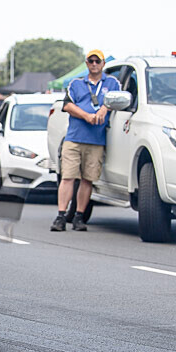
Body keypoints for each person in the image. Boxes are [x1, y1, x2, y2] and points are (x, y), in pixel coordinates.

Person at [51, 49, 120, 232]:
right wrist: (86, 116)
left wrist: (104, 109)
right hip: (75, 137)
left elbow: (116, 101)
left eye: (98, 61)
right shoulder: (77, 83)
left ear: (103, 64)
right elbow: (67, 105)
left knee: (88, 179)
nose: (94, 64)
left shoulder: (112, 83)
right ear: (87, 63)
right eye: (91, 61)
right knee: (68, 177)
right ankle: (60, 215)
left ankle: (79, 216)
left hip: (96, 139)